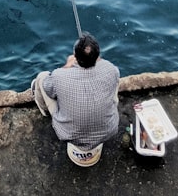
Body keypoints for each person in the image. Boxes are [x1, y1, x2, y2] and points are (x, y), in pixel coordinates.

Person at [31, 32, 120, 167]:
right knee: (115, 82)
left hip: (68, 134)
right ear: (97, 55)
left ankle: (45, 112)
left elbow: (48, 88)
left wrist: (67, 65)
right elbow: (111, 73)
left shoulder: (59, 75)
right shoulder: (111, 69)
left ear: (75, 56)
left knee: (42, 77)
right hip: (108, 131)